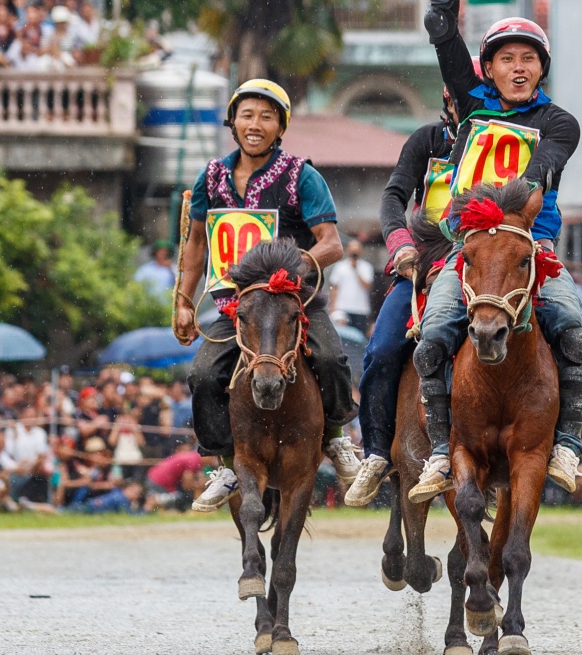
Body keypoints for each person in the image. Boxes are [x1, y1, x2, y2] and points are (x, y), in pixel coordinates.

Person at [407, 0, 582, 503]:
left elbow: (540, 176)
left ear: (542, 69)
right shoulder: (470, 103)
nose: (519, 68)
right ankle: (441, 450)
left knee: (572, 329)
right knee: (434, 331)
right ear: (487, 68)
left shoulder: (559, 122)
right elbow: (440, 27)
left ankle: (565, 441)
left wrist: (514, 216)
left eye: (529, 59)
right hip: (468, 253)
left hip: (530, 248)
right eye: (507, 60)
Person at [171, 79, 361, 512]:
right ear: (232, 122)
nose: (255, 125)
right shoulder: (212, 176)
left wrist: (287, 274)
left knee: (331, 358)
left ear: (281, 127)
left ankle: (336, 437)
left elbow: (330, 243)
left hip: (294, 303)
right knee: (202, 375)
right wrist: (183, 300)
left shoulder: (302, 176)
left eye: (267, 117)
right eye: (247, 115)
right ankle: (222, 461)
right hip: (237, 308)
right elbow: (197, 243)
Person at [342, 90, 460, 506]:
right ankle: (376, 451)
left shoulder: (515, 137)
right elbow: (393, 197)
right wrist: (401, 245)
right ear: (447, 101)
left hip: (487, 269)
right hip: (421, 268)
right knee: (382, 348)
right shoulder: (427, 140)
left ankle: (558, 446)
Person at [326, 240, 375, 332]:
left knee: (358, 336)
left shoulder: (366, 267)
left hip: (360, 309)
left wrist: (356, 269)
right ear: (348, 251)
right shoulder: (340, 267)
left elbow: (367, 286)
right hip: (343, 307)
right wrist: (332, 307)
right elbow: (334, 288)